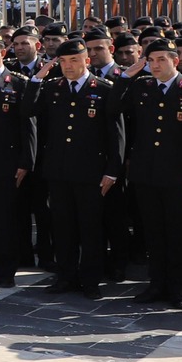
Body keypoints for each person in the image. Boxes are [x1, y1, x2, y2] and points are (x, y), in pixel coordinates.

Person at [30, 38, 125, 299]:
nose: (68, 66)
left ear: (87, 60)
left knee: (90, 228)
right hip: (59, 171)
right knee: (62, 227)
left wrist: (112, 170)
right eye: (63, 61)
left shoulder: (104, 89)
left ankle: (91, 279)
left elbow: (116, 134)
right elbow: (29, 110)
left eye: (74, 60)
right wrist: (37, 80)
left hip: (91, 172)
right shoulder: (52, 88)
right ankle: (66, 276)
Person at [120, 39, 182, 310]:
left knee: (178, 234)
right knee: (153, 233)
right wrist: (125, 76)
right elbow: (115, 109)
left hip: (179, 176)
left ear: (175, 60)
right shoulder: (141, 87)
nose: (155, 65)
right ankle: (156, 283)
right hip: (146, 175)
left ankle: (177, 287)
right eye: (151, 60)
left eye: (161, 59)